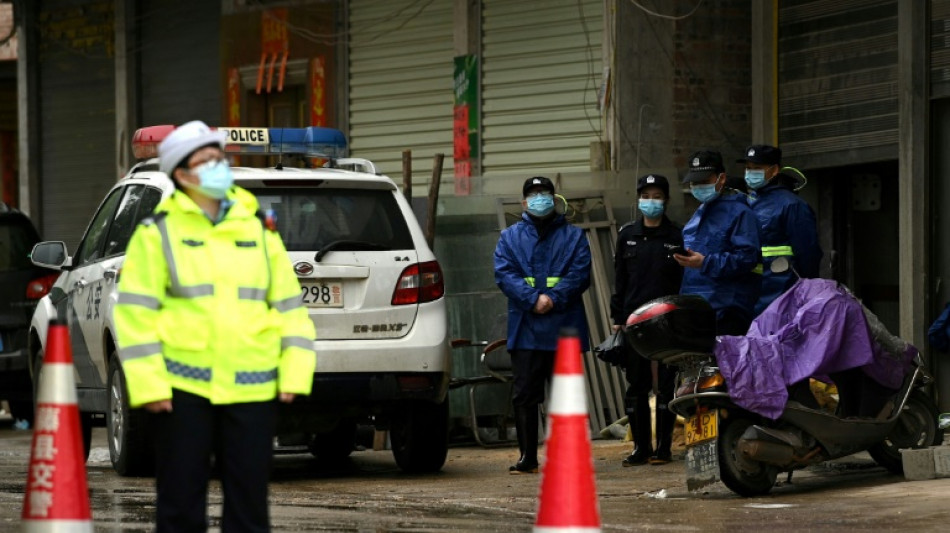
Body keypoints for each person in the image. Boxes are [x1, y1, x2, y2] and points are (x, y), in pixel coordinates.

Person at [114, 120, 317, 532]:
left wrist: (295, 372)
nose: (218, 167)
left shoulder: (259, 229)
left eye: (220, 159)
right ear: (182, 174)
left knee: (249, 509)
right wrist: (150, 386)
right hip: (181, 392)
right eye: (206, 161)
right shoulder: (158, 234)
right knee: (180, 507)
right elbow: (135, 315)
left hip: (253, 387)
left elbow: (290, 308)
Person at [493, 176, 592, 474]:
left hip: (563, 324)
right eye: (534, 194)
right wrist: (533, 299)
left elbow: (580, 273)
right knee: (524, 394)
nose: (540, 198)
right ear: (524, 202)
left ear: (554, 197)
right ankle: (528, 456)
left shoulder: (573, 236)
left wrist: (552, 298)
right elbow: (503, 273)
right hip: (526, 326)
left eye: (544, 193)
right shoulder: (510, 238)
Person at [610, 174, 683, 466]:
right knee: (637, 384)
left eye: (657, 196)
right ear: (638, 199)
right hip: (634, 320)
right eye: (646, 196)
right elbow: (620, 279)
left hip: (668, 320)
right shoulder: (627, 234)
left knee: (666, 383)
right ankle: (641, 447)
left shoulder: (677, 236)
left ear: (666, 200)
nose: (651, 202)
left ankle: (663, 448)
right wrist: (618, 318)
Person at [674, 150, 761, 336]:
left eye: (705, 182)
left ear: (721, 179)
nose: (698, 187)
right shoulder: (700, 212)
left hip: (727, 310)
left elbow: (747, 258)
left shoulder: (740, 213)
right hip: (696, 307)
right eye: (695, 183)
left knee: (725, 363)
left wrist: (705, 263)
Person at [738, 144, 822, 315]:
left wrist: (806, 294)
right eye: (747, 168)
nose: (750, 173)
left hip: (780, 297)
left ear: (774, 170)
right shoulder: (747, 202)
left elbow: (808, 253)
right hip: (749, 297)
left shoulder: (792, 205)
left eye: (757, 168)